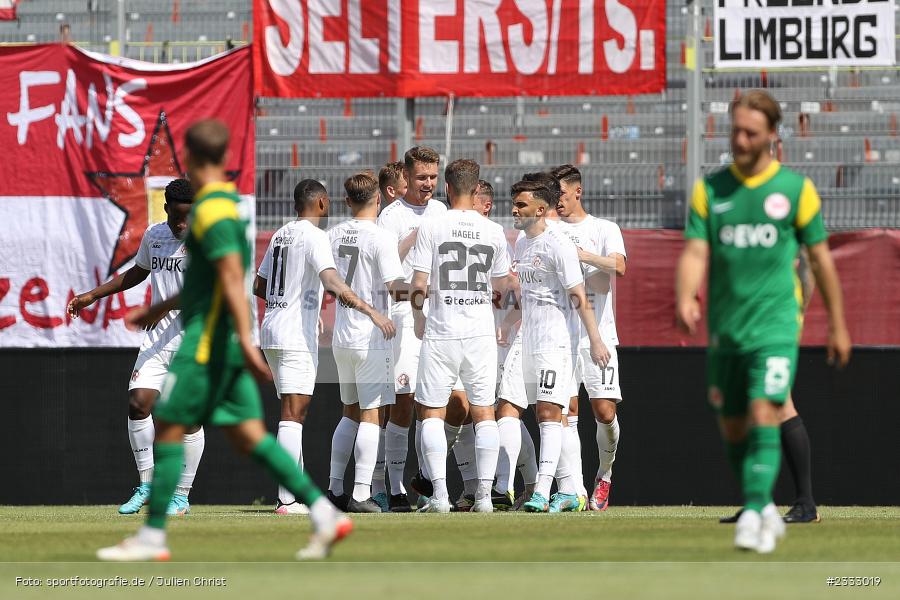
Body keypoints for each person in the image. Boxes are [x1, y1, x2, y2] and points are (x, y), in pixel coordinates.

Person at [98, 119, 351, 561]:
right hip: (222, 339)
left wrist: (245, 342)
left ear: (194, 158)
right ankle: (323, 513)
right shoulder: (225, 207)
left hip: (204, 340)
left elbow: (232, 280)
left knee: (173, 425)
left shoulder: (210, 211)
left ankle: (153, 536)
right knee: (249, 435)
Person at [676, 90, 851, 554]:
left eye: (750, 132)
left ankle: (756, 513)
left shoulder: (795, 190)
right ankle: (762, 505)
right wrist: (684, 296)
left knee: (766, 409)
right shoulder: (710, 190)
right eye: (735, 129)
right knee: (734, 425)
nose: (740, 138)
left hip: (775, 325)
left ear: (772, 135)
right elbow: (695, 250)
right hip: (727, 328)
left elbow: (820, 260)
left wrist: (837, 323)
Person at [254, 180, 394, 515]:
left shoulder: (279, 235)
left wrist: (293, 302)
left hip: (271, 328)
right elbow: (332, 281)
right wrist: (371, 310)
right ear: (320, 202)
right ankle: (286, 499)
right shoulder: (314, 236)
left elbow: (259, 285)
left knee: (292, 412)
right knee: (293, 415)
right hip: (293, 335)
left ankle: (295, 493)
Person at [68, 178, 204, 517]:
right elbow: (137, 274)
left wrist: (161, 308)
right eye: (178, 217)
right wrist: (91, 295)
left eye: (190, 216)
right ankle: (146, 484)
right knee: (138, 402)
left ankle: (181, 496)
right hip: (158, 338)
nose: (183, 224)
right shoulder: (154, 236)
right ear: (167, 208)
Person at [408, 158, 512, 513]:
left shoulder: (433, 226)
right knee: (485, 413)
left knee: (432, 414)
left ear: (447, 188)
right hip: (480, 331)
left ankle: (438, 495)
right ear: (475, 186)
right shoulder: (494, 231)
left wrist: (417, 316)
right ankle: (484, 496)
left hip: (442, 330)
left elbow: (418, 284)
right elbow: (503, 286)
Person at [509, 179, 610, 513]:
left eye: (521, 204)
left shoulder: (559, 243)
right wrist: (507, 324)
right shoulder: (522, 243)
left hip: (555, 342)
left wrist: (595, 340)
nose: (514, 209)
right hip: (528, 342)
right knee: (558, 416)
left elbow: (579, 295)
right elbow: (526, 296)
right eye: (513, 202)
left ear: (540, 209)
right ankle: (573, 489)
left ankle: (541, 490)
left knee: (548, 413)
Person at [326, 173, 405, 513]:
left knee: (349, 412)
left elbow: (327, 283)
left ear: (347, 200)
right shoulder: (380, 237)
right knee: (372, 415)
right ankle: (361, 494)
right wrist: (426, 291)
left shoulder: (332, 235)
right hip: (372, 336)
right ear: (378, 200)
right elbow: (395, 288)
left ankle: (333, 489)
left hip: (342, 336)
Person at [552, 164, 627, 512]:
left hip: (599, 334)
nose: (558, 202)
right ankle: (575, 488)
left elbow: (620, 266)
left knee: (605, 411)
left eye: (562, 195)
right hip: (562, 334)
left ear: (578, 192)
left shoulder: (603, 228)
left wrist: (584, 257)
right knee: (567, 411)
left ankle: (605, 476)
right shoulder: (550, 231)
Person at [376, 146, 447, 512]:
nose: (429, 184)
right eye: (422, 177)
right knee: (402, 402)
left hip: (438, 316)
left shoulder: (442, 211)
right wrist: (415, 237)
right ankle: (395, 487)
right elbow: (386, 269)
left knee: (437, 403)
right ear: (406, 177)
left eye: (434, 177)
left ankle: (431, 483)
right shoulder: (391, 216)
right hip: (404, 313)